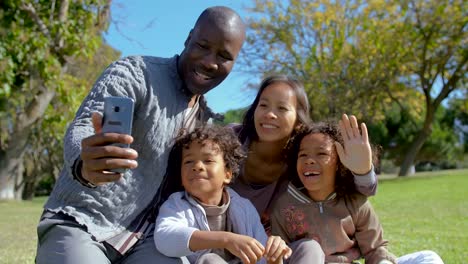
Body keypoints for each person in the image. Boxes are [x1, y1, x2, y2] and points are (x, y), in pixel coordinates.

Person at [35, 6, 246, 264]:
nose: (209, 61)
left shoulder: (205, 120)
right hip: (82, 222)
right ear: (188, 38)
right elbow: (85, 125)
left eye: (224, 56)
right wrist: (84, 162)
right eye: (202, 45)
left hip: (147, 241)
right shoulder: (135, 73)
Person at [270, 121, 444, 264]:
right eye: (303, 155)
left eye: (321, 153)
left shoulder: (355, 202)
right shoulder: (284, 207)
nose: (309, 160)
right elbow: (282, 255)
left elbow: (374, 250)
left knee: (429, 258)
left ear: (339, 163)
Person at [228, 75, 378, 233]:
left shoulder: (303, 160)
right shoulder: (230, 139)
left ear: (298, 122)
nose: (270, 114)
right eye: (263, 105)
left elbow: (362, 192)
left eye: (282, 108)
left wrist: (362, 171)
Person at [155, 126, 292, 264]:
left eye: (208, 161)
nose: (197, 166)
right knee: (210, 260)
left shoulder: (244, 208)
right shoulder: (177, 204)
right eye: (188, 161)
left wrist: (275, 256)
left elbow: (261, 256)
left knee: (307, 246)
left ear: (227, 174)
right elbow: (164, 238)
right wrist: (226, 239)